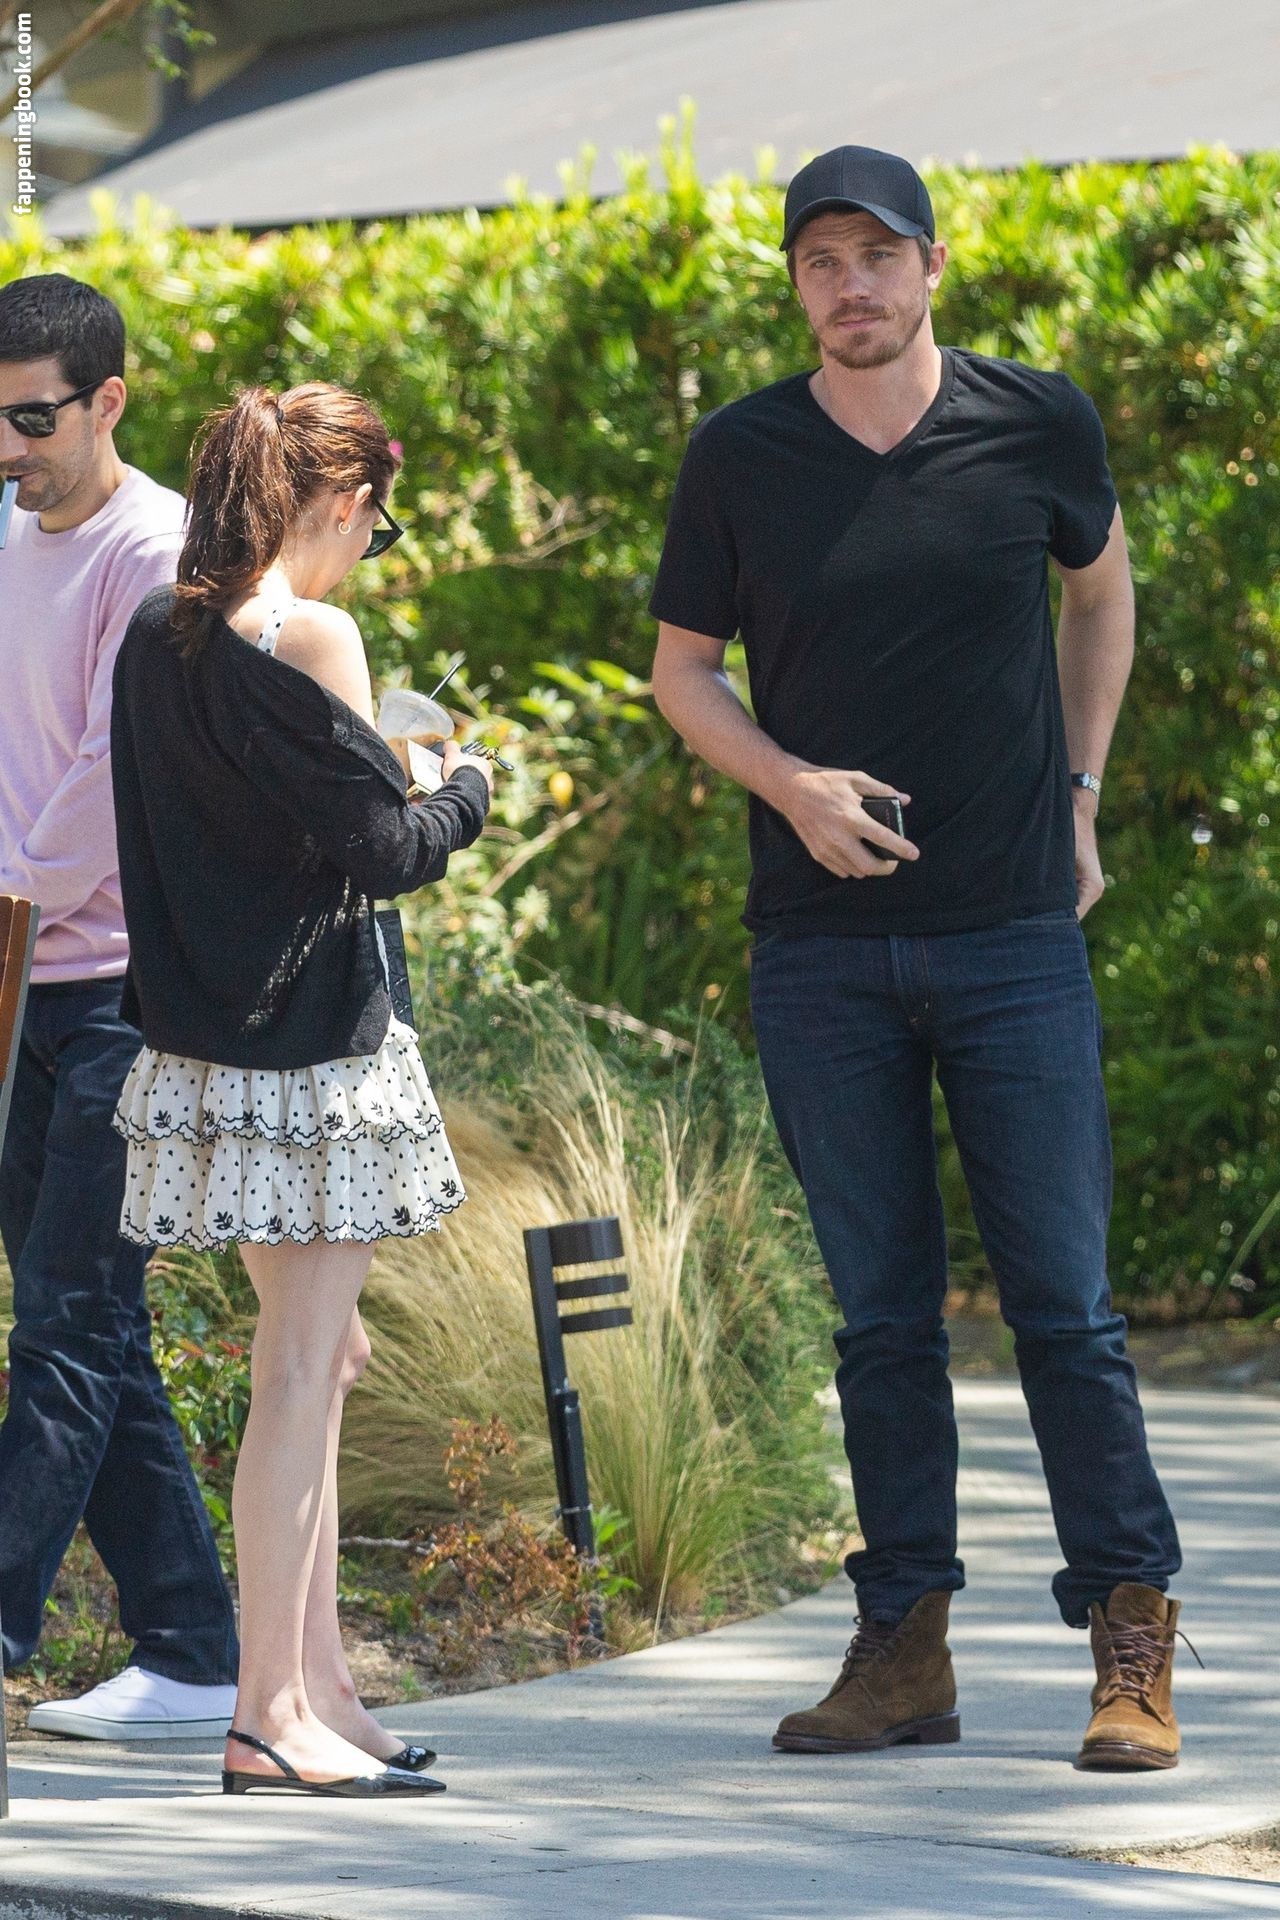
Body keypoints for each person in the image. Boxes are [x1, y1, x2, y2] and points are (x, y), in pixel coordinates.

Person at [649, 146, 1186, 1772]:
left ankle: (1132, 1640)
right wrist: (791, 787)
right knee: (881, 1320)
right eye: (821, 262)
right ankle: (904, 1651)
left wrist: (1079, 796)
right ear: (797, 287)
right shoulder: (740, 454)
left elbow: (1102, 596)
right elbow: (684, 674)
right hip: (819, 954)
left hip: (1012, 933)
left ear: (932, 266)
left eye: (877, 255)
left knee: (1065, 1310)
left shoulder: (1036, 423)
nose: (851, 286)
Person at [109, 379, 493, 1797]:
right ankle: (267, 1712)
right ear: (339, 500)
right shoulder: (310, 632)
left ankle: (323, 1689)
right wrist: (464, 779)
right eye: (373, 527)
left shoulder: (157, 633)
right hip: (313, 1060)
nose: (364, 555)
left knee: (321, 1363)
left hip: (208, 1052)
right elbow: (387, 852)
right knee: (295, 1374)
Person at [0, 273, 240, 1738]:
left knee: (67, 1324)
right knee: (91, 1324)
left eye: (32, 420)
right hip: (20, 983)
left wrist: (12, 896)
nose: (7, 450)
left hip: (121, 1001)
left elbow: (107, 776)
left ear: (111, 401)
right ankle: (196, 1650)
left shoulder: (154, 554)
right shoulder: (5, 531)